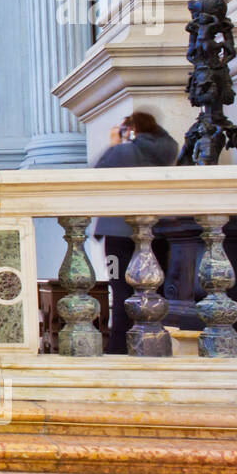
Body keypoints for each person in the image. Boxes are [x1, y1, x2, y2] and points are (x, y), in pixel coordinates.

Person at [93, 110, 178, 354]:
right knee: (153, 292)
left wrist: (114, 143)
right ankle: (152, 346)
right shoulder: (168, 151)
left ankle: (119, 348)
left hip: (119, 233)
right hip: (158, 233)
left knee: (120, 292)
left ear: (131, 130)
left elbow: (96, 175)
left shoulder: (122, 152)